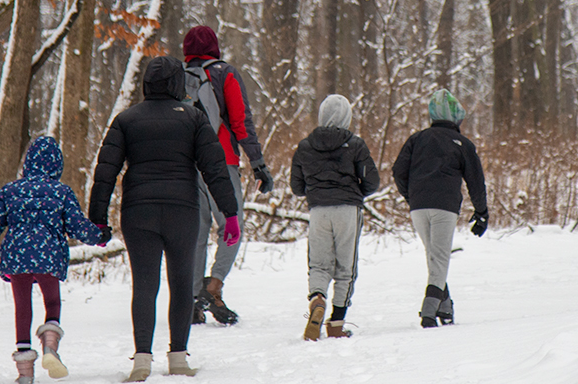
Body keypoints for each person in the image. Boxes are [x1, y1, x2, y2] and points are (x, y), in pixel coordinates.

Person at [88, 56, 240, 382]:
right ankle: (178, 359)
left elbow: (105, 173)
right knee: (182, 283)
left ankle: (142, 360)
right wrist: (229, 214)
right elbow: (214, 169)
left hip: (137, 212)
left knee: (145, 284)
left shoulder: (126, 119)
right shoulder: (194, 119)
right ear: (176, 84)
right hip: (181, 211)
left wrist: (97, 219)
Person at [0, 136, 108, 384]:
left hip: (17, 256)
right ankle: (50, 347)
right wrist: (100, 236)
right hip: (49, 255)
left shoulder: (10, 190)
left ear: (28, 162)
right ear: (57, 165)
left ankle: (24, 372)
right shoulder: (61, 192)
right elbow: (77, 226)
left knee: (23, 308)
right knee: (52, 302)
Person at [181, 25, 273, 325]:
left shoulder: (176, 76)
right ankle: (214, 286)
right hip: (221, 161)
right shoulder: (224, 73)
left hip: (186, 164)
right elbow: (240, 120)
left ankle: (194, 301)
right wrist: (258, 163)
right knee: (232, 226)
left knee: (196, 231)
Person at [392, 89, 489, 328]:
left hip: (418, 207)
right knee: (440, 259)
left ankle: (446, 309)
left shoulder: (417, 139)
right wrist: (481, 212)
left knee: (434, 258)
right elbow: (476, 180)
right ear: (456, 117)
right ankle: (428, 312)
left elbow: (398, 171)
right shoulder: (462, 144)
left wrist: (411, 196)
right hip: (444, 207)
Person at [290, 94, 380, 341]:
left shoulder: (305, 146)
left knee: (319, 264)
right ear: (346, 117)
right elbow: (372, 181)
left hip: (318, 211)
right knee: (346, 268)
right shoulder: (355, 144)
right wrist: (354, 191)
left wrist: (317, 190)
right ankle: (336, 324)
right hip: (348, 210)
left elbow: (297, 187)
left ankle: (317, 298)